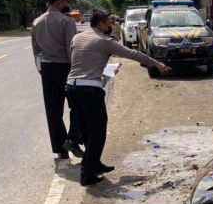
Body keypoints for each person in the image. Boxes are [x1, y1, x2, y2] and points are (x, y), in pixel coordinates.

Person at [66, 11, 170, 185]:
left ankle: (95, 163)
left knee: (86, 128)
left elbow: (78, 61)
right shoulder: (105, 41)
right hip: (89, 90)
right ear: (100, 24)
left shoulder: (77, 38)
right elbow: (133, 54)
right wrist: (157, 64)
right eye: (108, 24)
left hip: (71, 87)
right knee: (97, 131)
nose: (110, 27)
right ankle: (87, 172)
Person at [31, 0, 84, 159]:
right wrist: (77, 70)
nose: (67, 5)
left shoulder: (37, 22)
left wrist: (42, 70)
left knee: (53, 110)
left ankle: (60, 148)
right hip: (66, 67)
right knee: (78, 105)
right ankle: (72, 139)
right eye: (66, 2)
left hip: (46, 68)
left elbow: (36, 50)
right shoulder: (66, 21)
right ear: (59, 1)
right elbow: (72, 48)